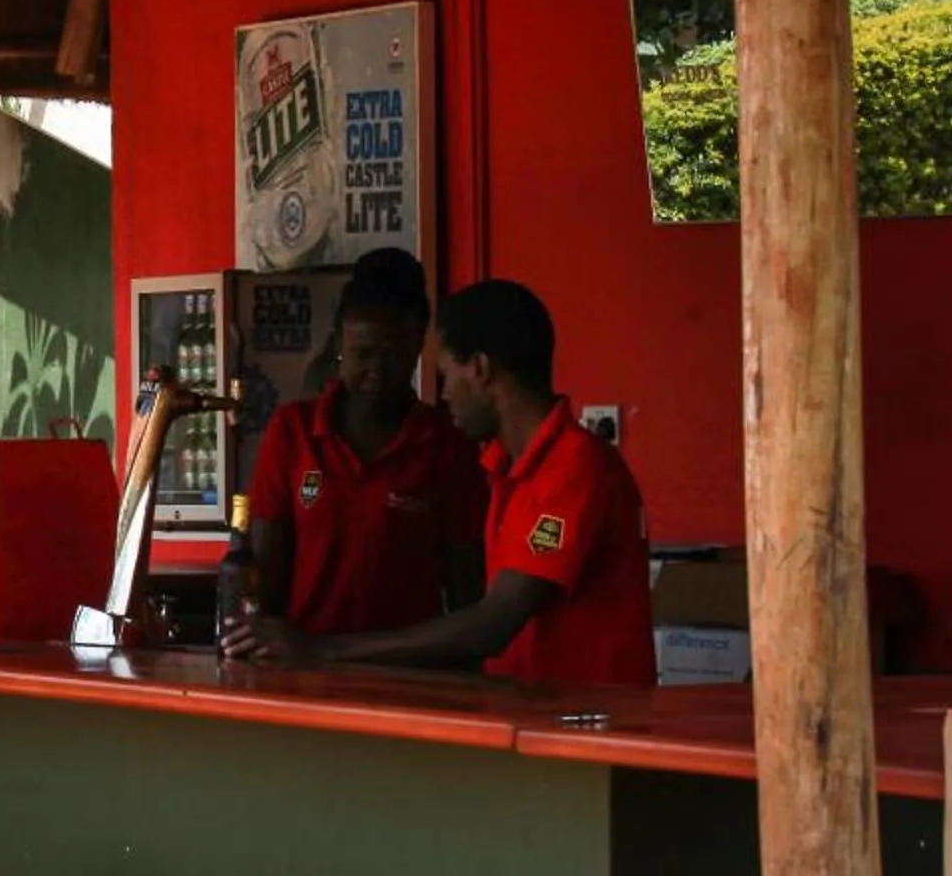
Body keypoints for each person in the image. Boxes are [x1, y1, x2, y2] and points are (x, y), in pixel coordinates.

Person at [224, 279, 655, 688]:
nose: (444, 394)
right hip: (536, 724)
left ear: (481, 370)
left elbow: (493, 624)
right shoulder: (505, 468)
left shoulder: (574, 466)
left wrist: (322, 649)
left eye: (447, 375)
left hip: (592, 732)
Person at [225, 249, 484, 643]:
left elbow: (468, 593)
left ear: (417, 349)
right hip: (304, 677)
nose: (377, 371)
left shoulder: (446, 444)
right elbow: (266, 579)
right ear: (339, 344)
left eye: (395, 356)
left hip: (410, 680)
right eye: (363, 354)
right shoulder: (292, 433)